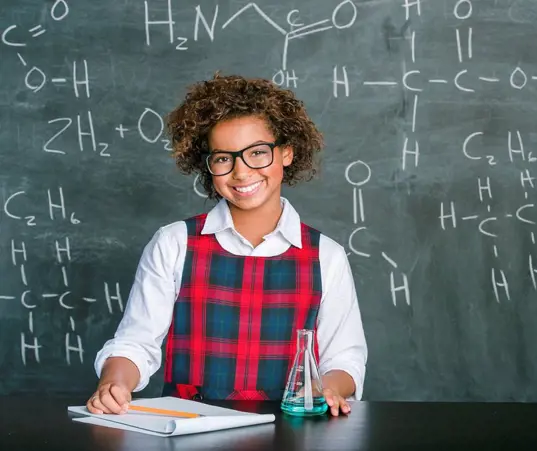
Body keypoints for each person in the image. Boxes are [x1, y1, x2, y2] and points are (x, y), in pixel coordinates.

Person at [86, 73, 368, 417]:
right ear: (207, 167)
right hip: (190, 430)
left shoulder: (327, 256)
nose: (241, 171)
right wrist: (113, 383)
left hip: (292, 429)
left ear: (287, 153)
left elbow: (345, 358)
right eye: (223, 158)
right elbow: (136, 342)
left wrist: (329, 388)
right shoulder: (173, 243)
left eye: (258, 153)